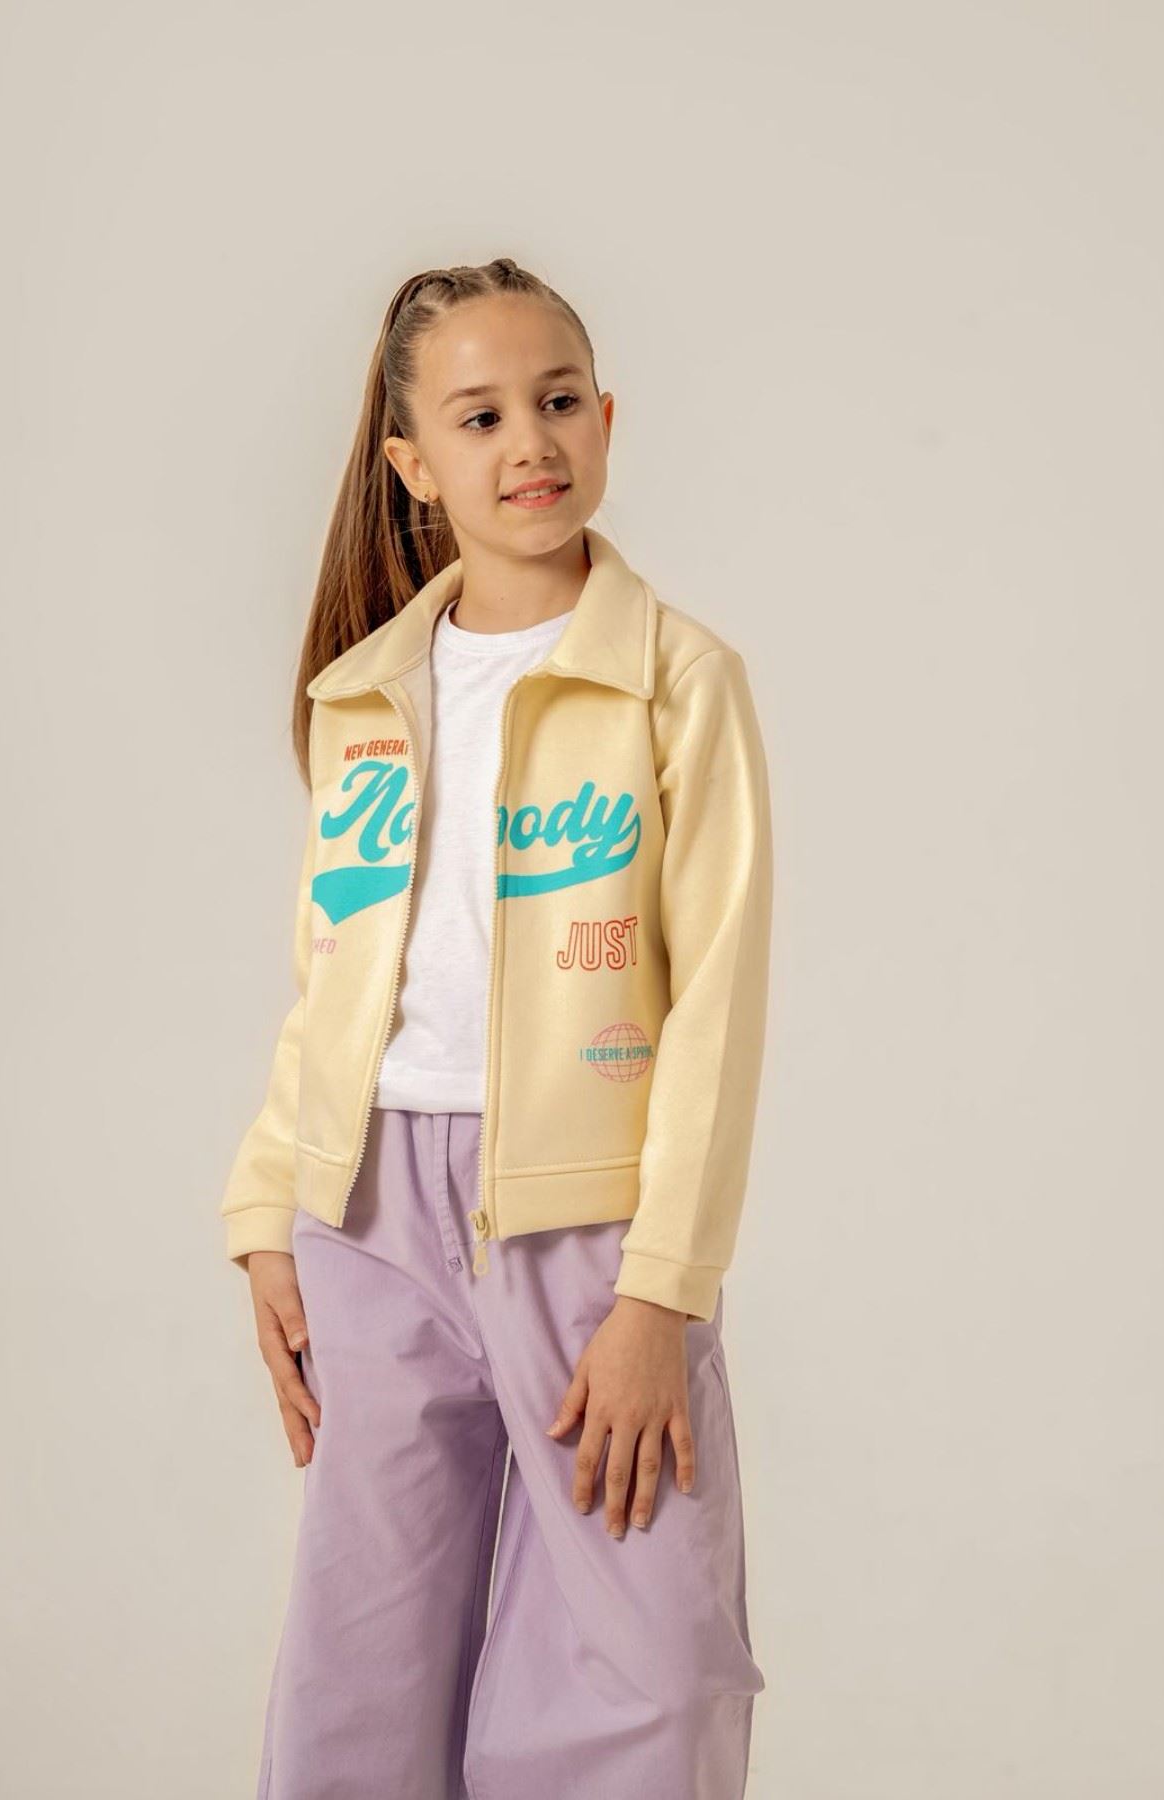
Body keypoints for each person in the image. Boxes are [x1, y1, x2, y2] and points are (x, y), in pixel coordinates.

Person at [220, 256, 775, 1800]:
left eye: (557, 402)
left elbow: (717, 1007)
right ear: (414, 466)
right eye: (480, 418)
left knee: (644, 1673)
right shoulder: (364, 697)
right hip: (367, 1214)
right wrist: (267, 1210)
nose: (529, 441)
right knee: (366, 1666)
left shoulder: (677, 683)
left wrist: (661, 1292)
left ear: (607, 420)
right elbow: (331, 980)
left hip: (588, 1229)